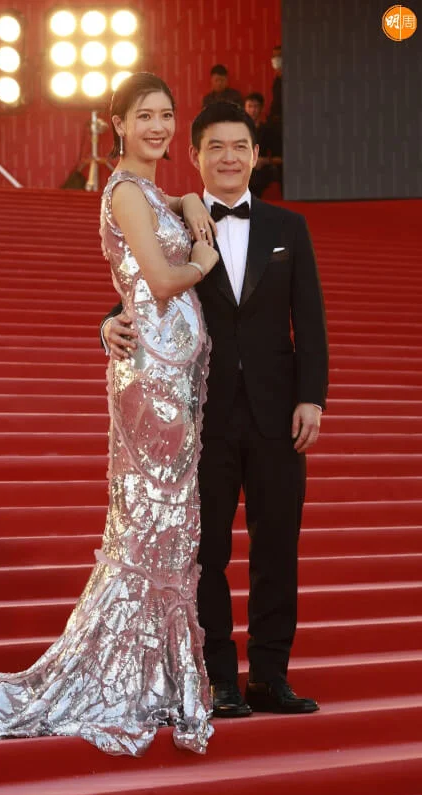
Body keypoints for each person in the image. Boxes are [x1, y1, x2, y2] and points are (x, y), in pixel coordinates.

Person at [0, 73, 220, 756]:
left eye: (166, 114)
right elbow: (160, 281)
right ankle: (119, 677)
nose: (158, 127)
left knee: (167, 531)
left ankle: (148, 674)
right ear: (117, 124)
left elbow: (160, 224)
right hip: (150, 378)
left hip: (174, 375)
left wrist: (187, 198)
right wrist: (202, 261)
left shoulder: (150, 191)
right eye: (144, 116)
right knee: (147, 530)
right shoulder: (124, 191)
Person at [103, 101, 328, 718]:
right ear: (196, 155)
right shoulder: (179, 223)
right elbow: (138, 286)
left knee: (277, 547)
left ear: (256, 156)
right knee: (208, 554)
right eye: (216, 148)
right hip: (202, 415)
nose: (229, 158)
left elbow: (309, 320)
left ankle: (271, 676)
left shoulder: (289, 228)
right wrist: (106, 324)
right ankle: (221, 678)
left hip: (279, 415)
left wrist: (312, 396)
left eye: (240, 147)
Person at [249, 46, 283, 197]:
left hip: (262, 166)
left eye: (256, 107)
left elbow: (279, 158)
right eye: (250, 106)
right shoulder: (240, 130)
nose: (253, 110)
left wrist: (263, 161)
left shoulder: (267, 129)